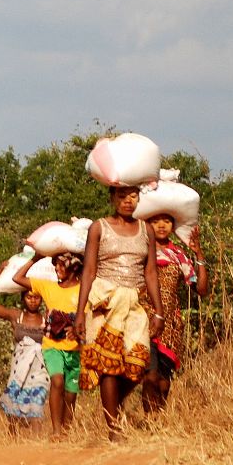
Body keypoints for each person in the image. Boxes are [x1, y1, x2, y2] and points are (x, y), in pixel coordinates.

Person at [73, 185, 165, 441]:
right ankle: (114, 429)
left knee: (138, 364)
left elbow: (150, 273)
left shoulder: (146, 230)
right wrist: (79, 313)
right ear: (112, 198)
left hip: (135, 303)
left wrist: (158, 311)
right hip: (105, 301)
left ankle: (112, 405)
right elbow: (89, 271)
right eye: (122, 196)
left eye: (133, 196)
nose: (128, 201)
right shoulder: (99, 227)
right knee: (109, 366)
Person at [140, 216, 210, 414]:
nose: (161, 226)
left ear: (173, 226)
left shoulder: (179, 256)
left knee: (163, 383)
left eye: (167, 222)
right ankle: (149, 423)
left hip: (171, 325)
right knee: (150, 376)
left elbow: (202, 289)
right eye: (156, 222)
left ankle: (158, 421)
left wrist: (198, 253)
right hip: (144, 318)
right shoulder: (141, 251)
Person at [12, 251, 84, 440]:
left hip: (75, 348)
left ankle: (66, 433)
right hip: (52, 345)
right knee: (57, 382)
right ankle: (56, 431)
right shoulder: (47, 286)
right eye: (55, 265)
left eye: (62, 265)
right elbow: (17, 278)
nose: (57, 269)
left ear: (74, 267)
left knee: (70, 394)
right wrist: (36, 258)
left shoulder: (83, 290)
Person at [0, 261, 49, 436]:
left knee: (37, 403)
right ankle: (13, 443)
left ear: (41, 299)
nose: (33, 301)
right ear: (22, 299)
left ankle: (37, 444)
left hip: (40, 371)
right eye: (29, 297)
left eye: (36, 297)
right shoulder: (15, 316)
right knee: (13, 408)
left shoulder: (46, 319)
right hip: (18, 371)